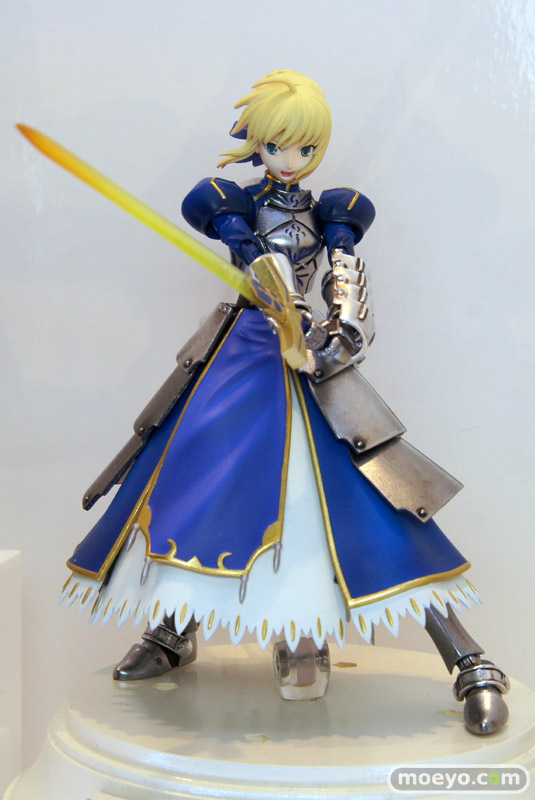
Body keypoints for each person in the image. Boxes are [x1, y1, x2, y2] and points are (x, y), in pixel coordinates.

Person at [62, 70, 509, 734]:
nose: (289, 159)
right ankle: (173, 629)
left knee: (363, 492)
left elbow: (346, 280)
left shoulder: (334, 211)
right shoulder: (232, 205)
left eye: (303, 147)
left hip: (311, 360)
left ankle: (466, 657)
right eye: (275, 146)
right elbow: (249, 258)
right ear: (256, 145)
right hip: (243, 351)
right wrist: (264, 280)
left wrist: (339, 333)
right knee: (200, 478)